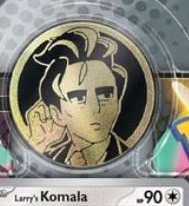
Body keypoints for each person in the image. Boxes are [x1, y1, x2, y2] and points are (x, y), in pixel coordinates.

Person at [25, 25, 129, 167]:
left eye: (105, 94)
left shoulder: (140, 158)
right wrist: (37, 144)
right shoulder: (48, 155)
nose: (95, 108)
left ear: (117, 101)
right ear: (57, 114)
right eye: (79, 98)